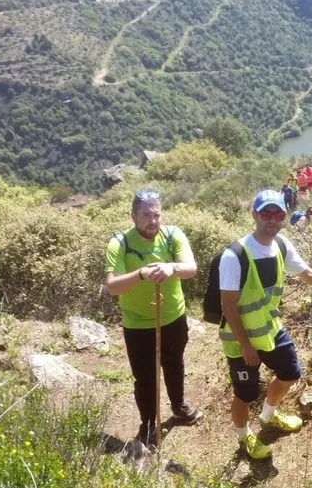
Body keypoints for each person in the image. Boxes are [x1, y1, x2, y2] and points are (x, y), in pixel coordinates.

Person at [219, 189, 312, 460]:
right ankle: (244, 436)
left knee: (290, 373)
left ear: (284, 216)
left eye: (278, 213)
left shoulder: (281, 245)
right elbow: (228, 306)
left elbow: (307, 274)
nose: (272, 219)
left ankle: (269, 415)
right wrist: (246, 346)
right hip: (240, 339)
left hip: (270, 328)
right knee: (245, 393)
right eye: (266, 213)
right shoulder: (234, 255)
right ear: (254, 214)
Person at [104, 189, 203, 449]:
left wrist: (172, 268)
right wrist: (140, 275)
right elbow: (113, 287)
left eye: (157, 214)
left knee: (174, 363)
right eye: (146, 215)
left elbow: (191, 268)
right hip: (137, 324)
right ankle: (148, 424)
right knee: (145, 377)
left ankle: (179, 407)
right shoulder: (120, 244)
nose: (153, 220)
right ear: (133, 216)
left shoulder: (172, 236)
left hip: (174, 316)